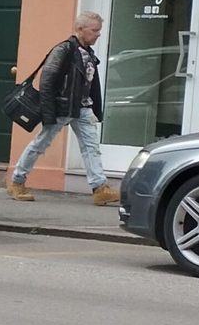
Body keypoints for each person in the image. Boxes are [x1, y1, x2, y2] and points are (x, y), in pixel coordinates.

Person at [8, 11, 117, 204]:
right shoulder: (64, 50)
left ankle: (100, 187)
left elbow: (91, 84)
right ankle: (17, 181)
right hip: (63, 108)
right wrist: (49, 113)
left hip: (82, 108)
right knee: (41, 144)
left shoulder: (88, 53)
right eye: (94, 30)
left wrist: (95, 109)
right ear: (80, 29)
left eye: (99, 30)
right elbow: (47, 82)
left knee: (91, 147)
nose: (98, 34)